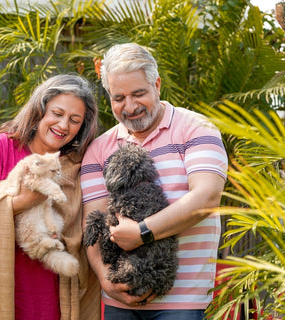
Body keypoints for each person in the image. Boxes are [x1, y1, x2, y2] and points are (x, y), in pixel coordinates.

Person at [80, 43, 228, 320]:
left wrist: (143, 233)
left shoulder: (195, 128)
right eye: (119, 97)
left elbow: (206, 198)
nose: (130, 106)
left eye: (139, 93)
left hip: (183, 300)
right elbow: (93, 221)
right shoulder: (99, 149)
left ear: (157, 84)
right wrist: (105, 279)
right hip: (119, 298)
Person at [0, 74, 101, 320]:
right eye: (57, 113)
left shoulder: (79, 165)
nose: (63, 125)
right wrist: (29, 199)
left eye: (75, 120)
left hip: (54, 288)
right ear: (39, 110)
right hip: (2, 281)